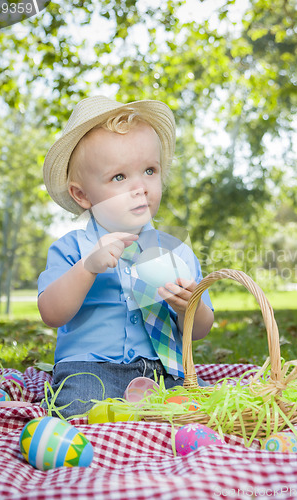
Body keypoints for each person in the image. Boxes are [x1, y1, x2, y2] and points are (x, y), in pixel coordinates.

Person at [38, 95, 214, 417]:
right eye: (119, 177)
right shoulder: (73, 249)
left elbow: (201, 329)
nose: (140, 188)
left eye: (150, 171)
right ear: (82, 194)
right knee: (79, 414)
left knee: (195, 414)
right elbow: (51, 313)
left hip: (162, 372)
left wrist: (192, 307)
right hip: (90, 370)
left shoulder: (176, 251)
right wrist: (87, 268)